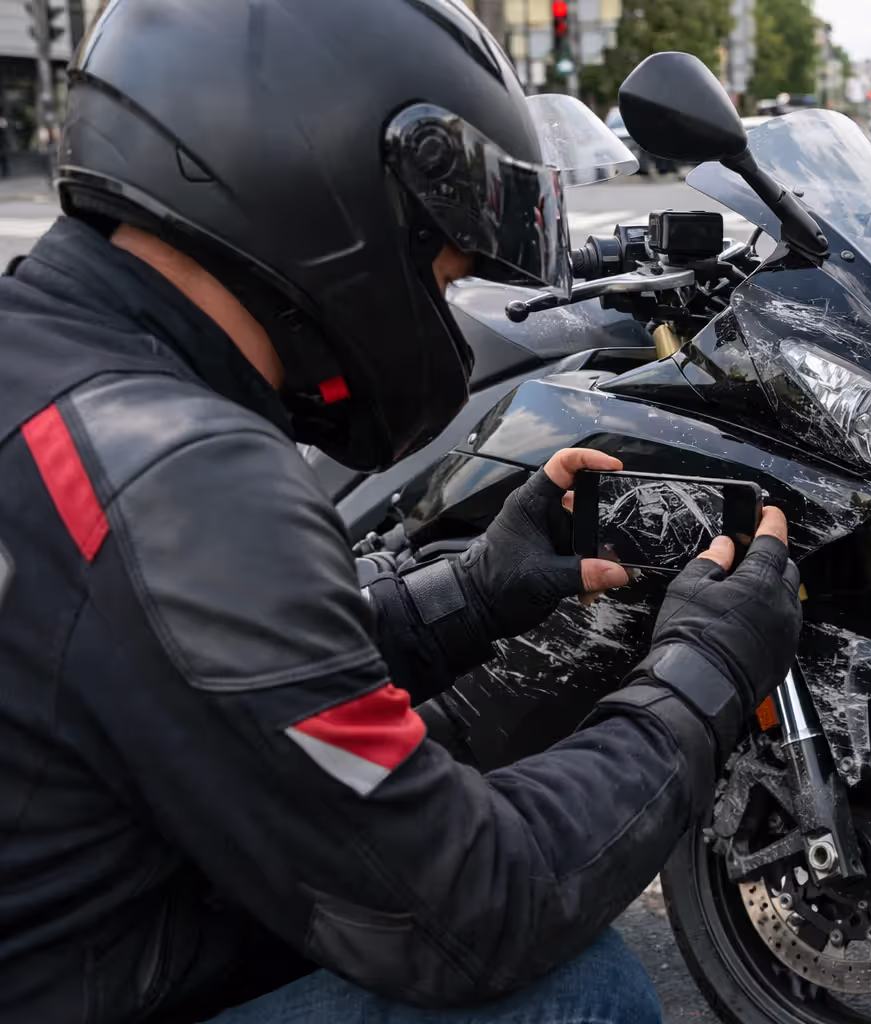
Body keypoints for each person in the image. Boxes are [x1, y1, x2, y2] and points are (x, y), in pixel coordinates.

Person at [0, 1, 803, 1023]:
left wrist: (472, 593)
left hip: (78, 940)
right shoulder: (183, 477)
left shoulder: (55, 368)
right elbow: (469, 910)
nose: (446, 307)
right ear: (329, 191)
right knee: (583, 992)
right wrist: (706, 674)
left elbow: (196, 677)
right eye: (449, 270)